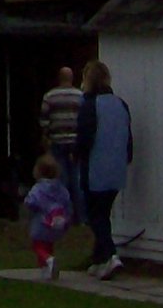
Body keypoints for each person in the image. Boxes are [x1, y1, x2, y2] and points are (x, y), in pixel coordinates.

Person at [77, 57, 133, 278]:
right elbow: (128, 137)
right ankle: (99, 259)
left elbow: (84, 139)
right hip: (117, 168)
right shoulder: (120, 104)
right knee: (103, 213)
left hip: (95, 168)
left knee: (94, 215)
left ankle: (110, 255)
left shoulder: (89, 106)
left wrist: (77, 154)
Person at [39, 64, 85, 220]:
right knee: (77, 179)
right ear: (72, 78)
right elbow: (84, 120)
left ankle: (64, 214)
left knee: (61, 179)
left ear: (59, 78)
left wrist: (46, 139)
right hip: (75, 143)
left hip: (57, 141)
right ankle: (81, 217)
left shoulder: (50, 96)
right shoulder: (80, 96)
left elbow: (44, 122)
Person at [22, 152, 74, 280]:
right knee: (50, 244)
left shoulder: (38, 189)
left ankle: (48, 260)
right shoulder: (61, 188)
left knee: (37, 245)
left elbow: (31, 202)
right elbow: (68, 204)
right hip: (58, 223)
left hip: (41, 222)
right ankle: (48, 269)